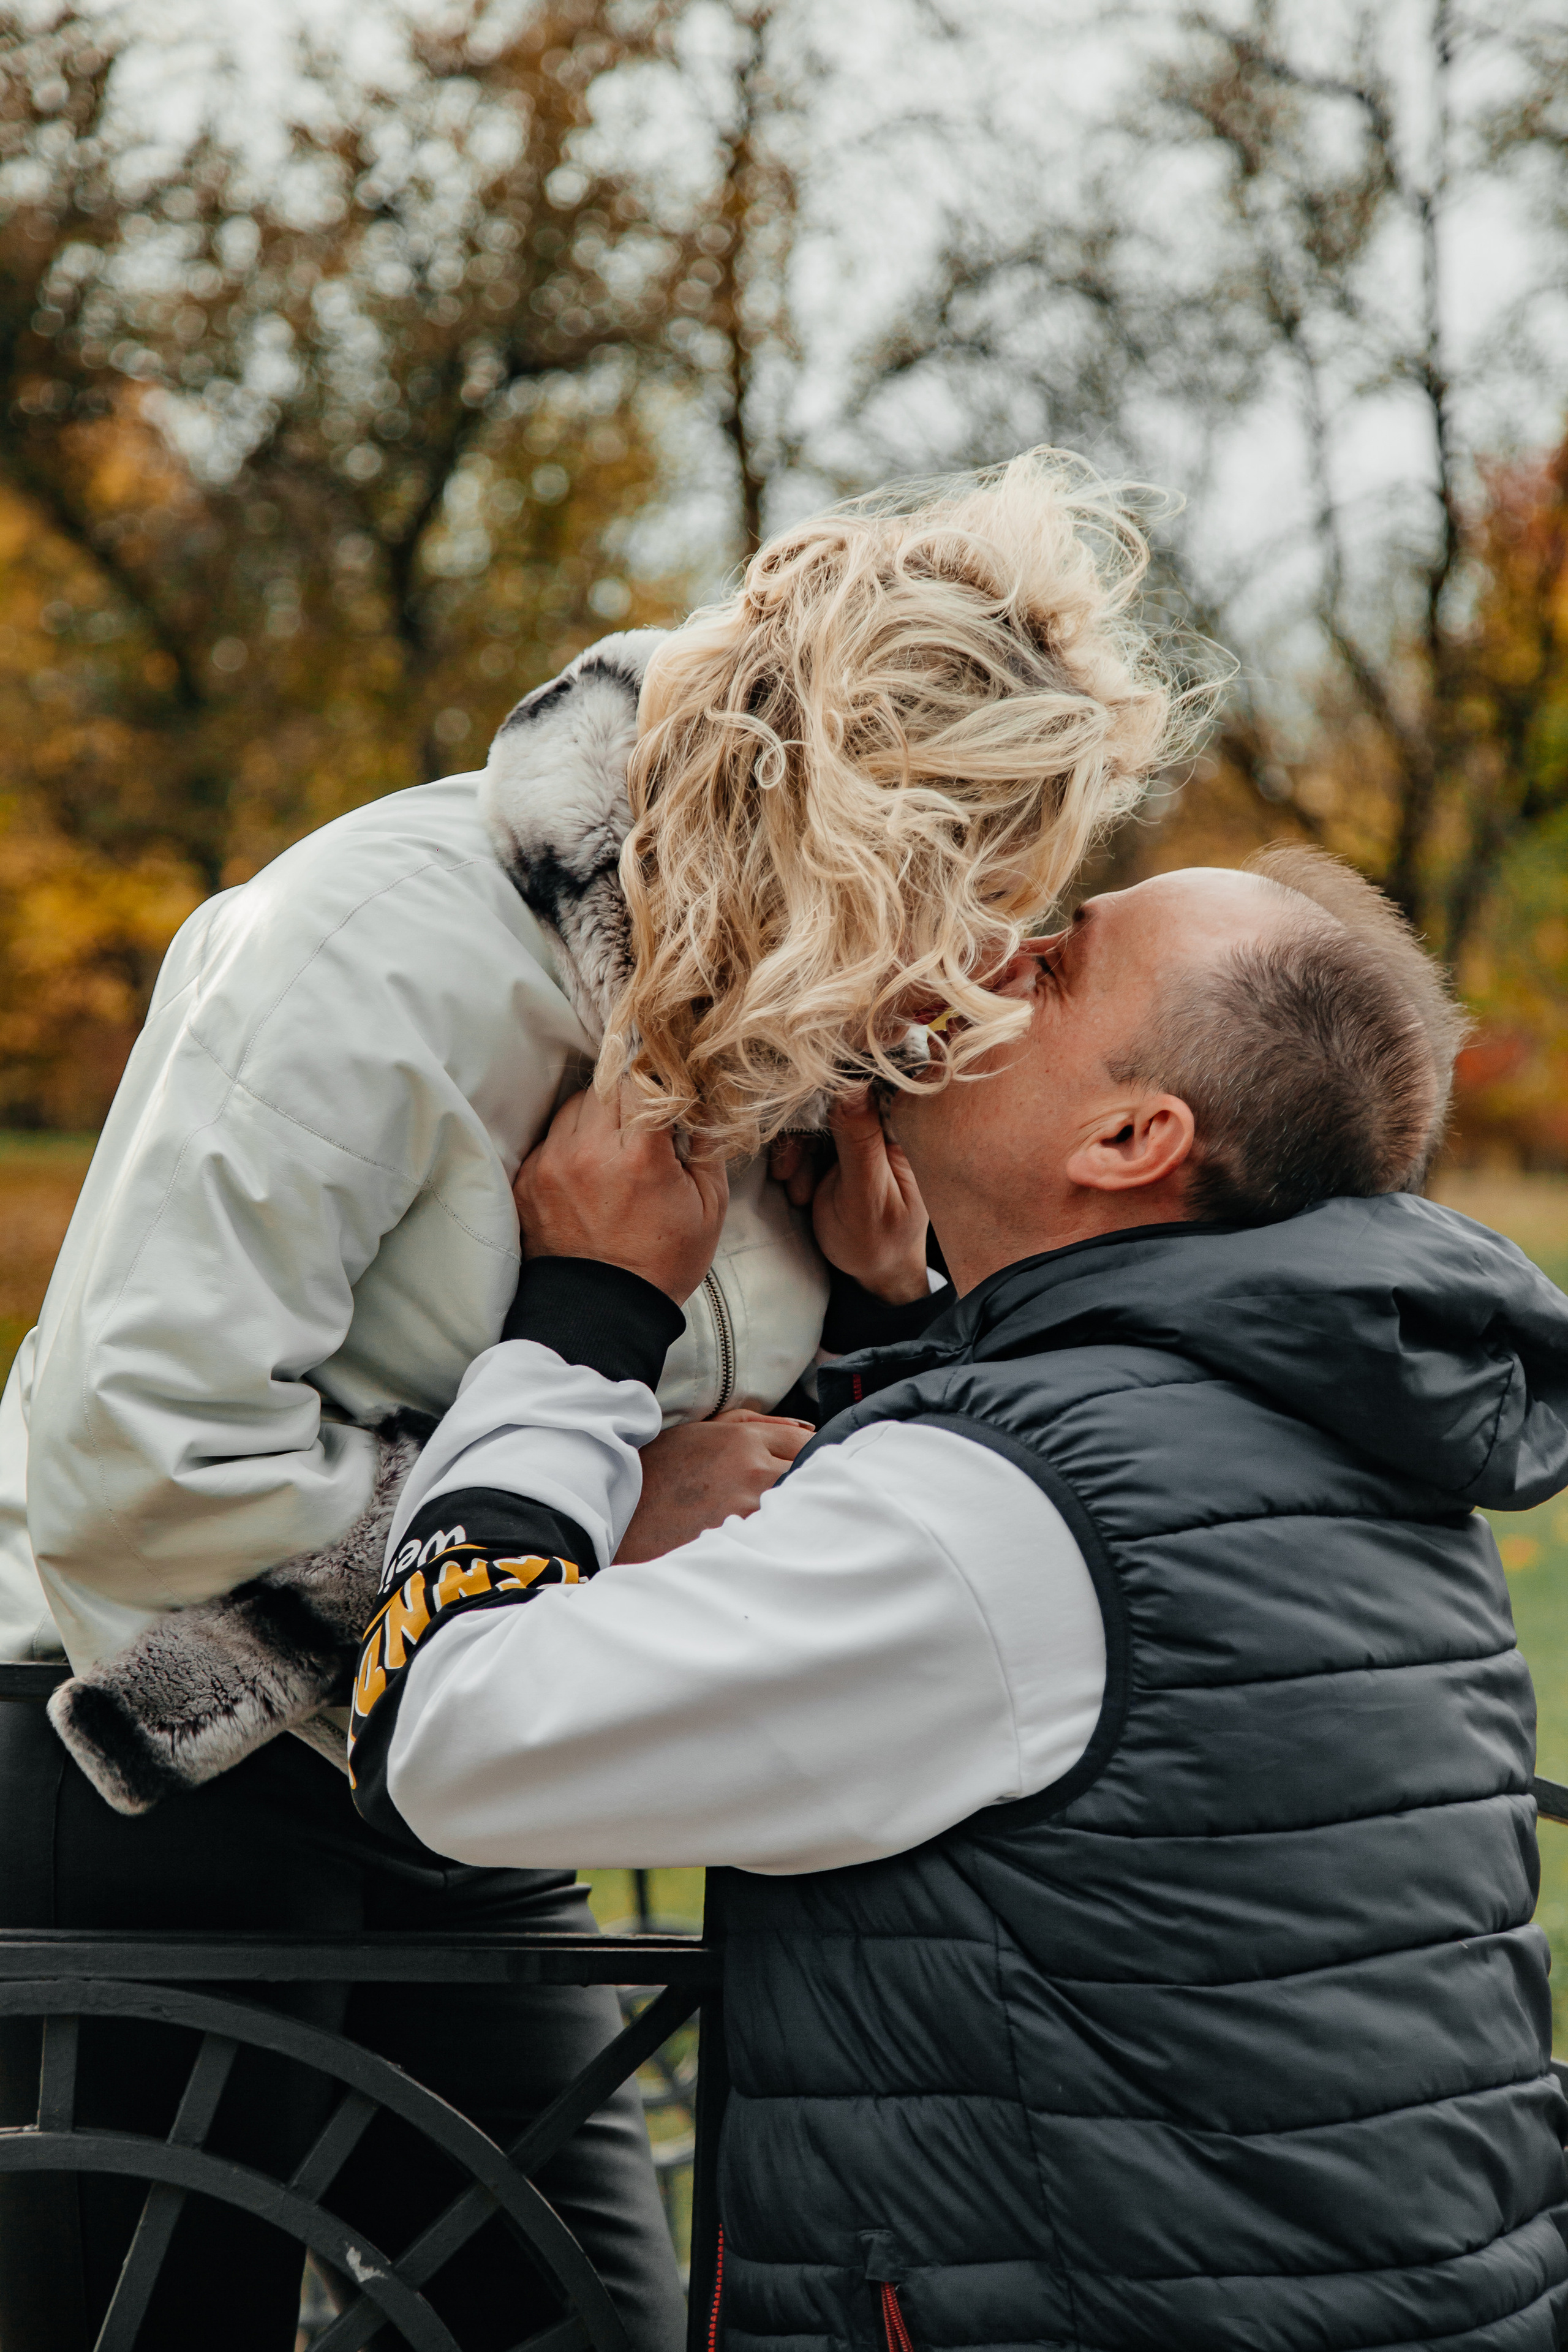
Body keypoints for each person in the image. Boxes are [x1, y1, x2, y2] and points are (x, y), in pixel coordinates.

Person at [0, 447, 1188, 2346]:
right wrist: (604, 1518)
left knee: (586, 2320)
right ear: (844, 833)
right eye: (964, 893)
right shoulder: (374, 950)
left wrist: (880, 1301)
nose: (968, 972)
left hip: (456, 1775)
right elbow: (129, 1469)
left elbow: (763, 1440)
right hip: (137, 1755)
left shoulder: (794, 1016)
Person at [350, 846, 1568, 2352]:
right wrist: (914, 1316)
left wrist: (587, 1315)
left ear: (1130, 1136)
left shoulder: (999, 1514)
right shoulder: (1335, 1426)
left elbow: (448, 1738)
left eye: (1052, 966)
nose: (984, 952)